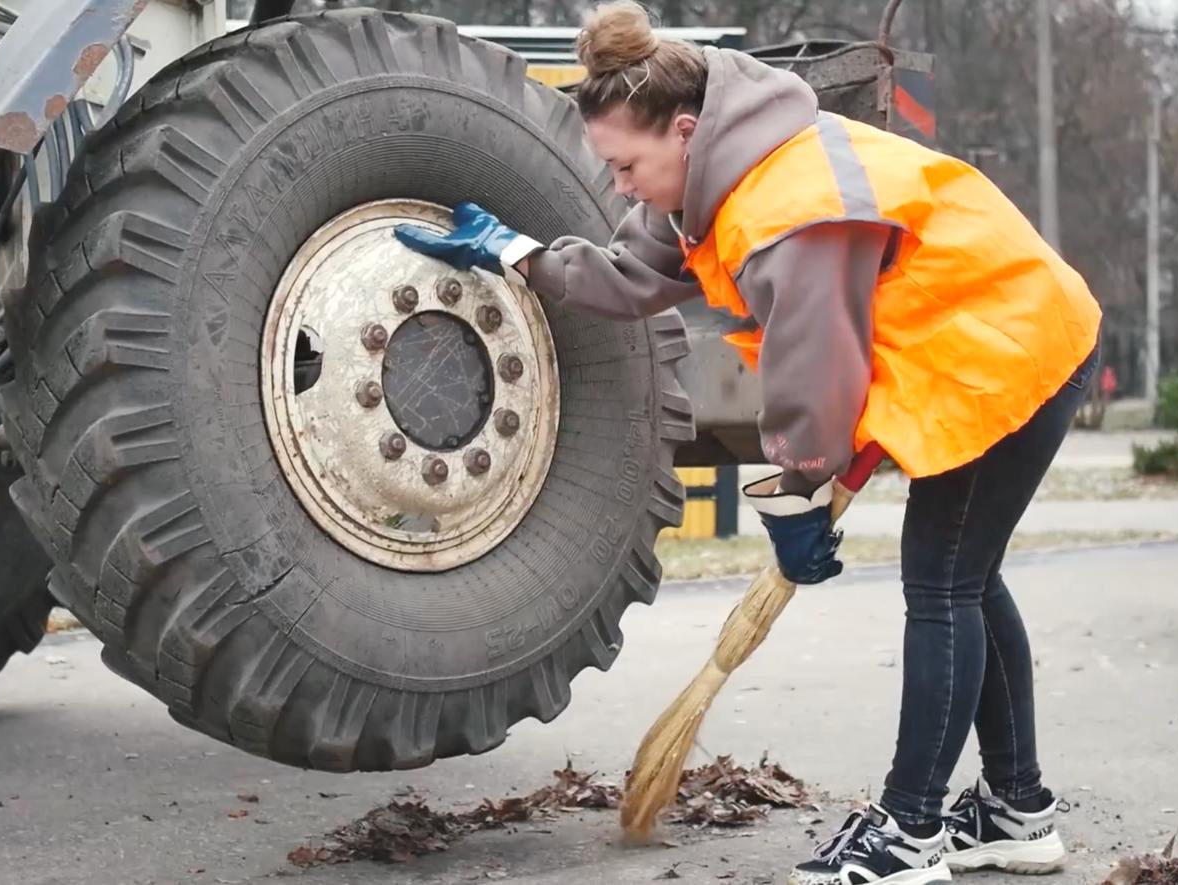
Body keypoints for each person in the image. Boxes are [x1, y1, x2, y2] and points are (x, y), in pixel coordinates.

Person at [394, 2, 1102, 883]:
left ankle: (910, 831)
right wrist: (518, 252)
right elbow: (629, 273)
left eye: (626, 164)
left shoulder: (786, 208)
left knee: (944, 578)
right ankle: (1015, 810)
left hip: (1017, 340)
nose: (619, 184)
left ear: (685, 130)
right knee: (967, 574)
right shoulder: (707, 179)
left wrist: (799, 490)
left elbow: (816, 376)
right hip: (972, 337)